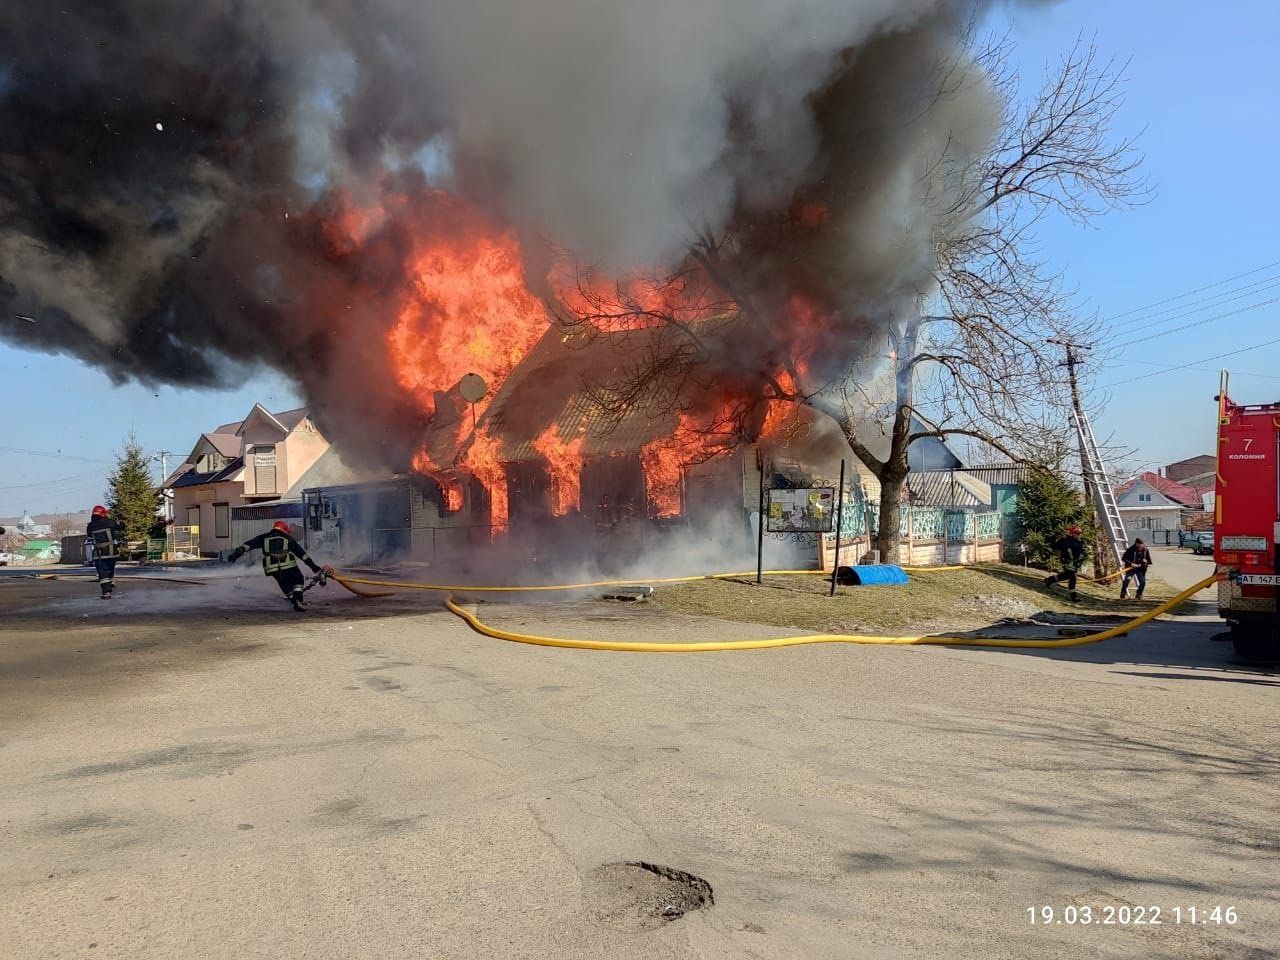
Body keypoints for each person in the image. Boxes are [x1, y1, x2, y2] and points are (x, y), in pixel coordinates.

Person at [227, 520, 330, 612]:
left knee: (283, 582)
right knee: (298, 581)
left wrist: (235, 554)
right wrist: (315, 568)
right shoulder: (288, 538)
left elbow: (247, 545)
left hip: (271, 568)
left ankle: (292, 598)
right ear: (285, 529)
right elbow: (302, 555)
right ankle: (298, 601)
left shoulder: (263, 537)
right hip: (288, 565)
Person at [86, 505, 126, 599]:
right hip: (112, 553)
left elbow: (90, 538)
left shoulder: (90, 526)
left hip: (99, 554)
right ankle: (110, 582)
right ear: (103, 513)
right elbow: (121, 526)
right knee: (109, 569)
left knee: (102, 573)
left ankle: (106, 592)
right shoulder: (110, 522)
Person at [1044, 523, 1086, 601]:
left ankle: (1049, 580)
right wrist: (1050, 544)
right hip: (1067, 561)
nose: (1078, 535)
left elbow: (1079, 552)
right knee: (1072, 577)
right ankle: (1073, 597)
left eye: (1079, 534)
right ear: (1072, 533)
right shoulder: (1065, 541)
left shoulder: (1078, 542)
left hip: (1073, 562)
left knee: (1066, 575)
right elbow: (1054, 547)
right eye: (1077, 533)